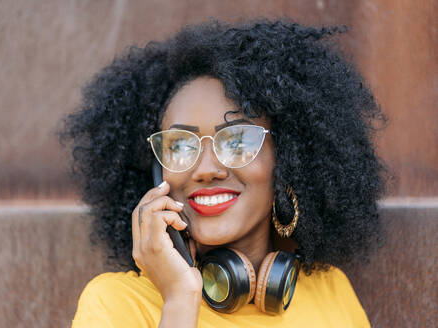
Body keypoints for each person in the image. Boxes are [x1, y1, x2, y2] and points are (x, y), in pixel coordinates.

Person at [61, 19, 388, 327]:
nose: (204, 170)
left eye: (237, 140)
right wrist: (178, 301)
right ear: (159, 176)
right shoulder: (117, 304)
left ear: (287, 158)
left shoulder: (331, 294)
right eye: (180, 145)